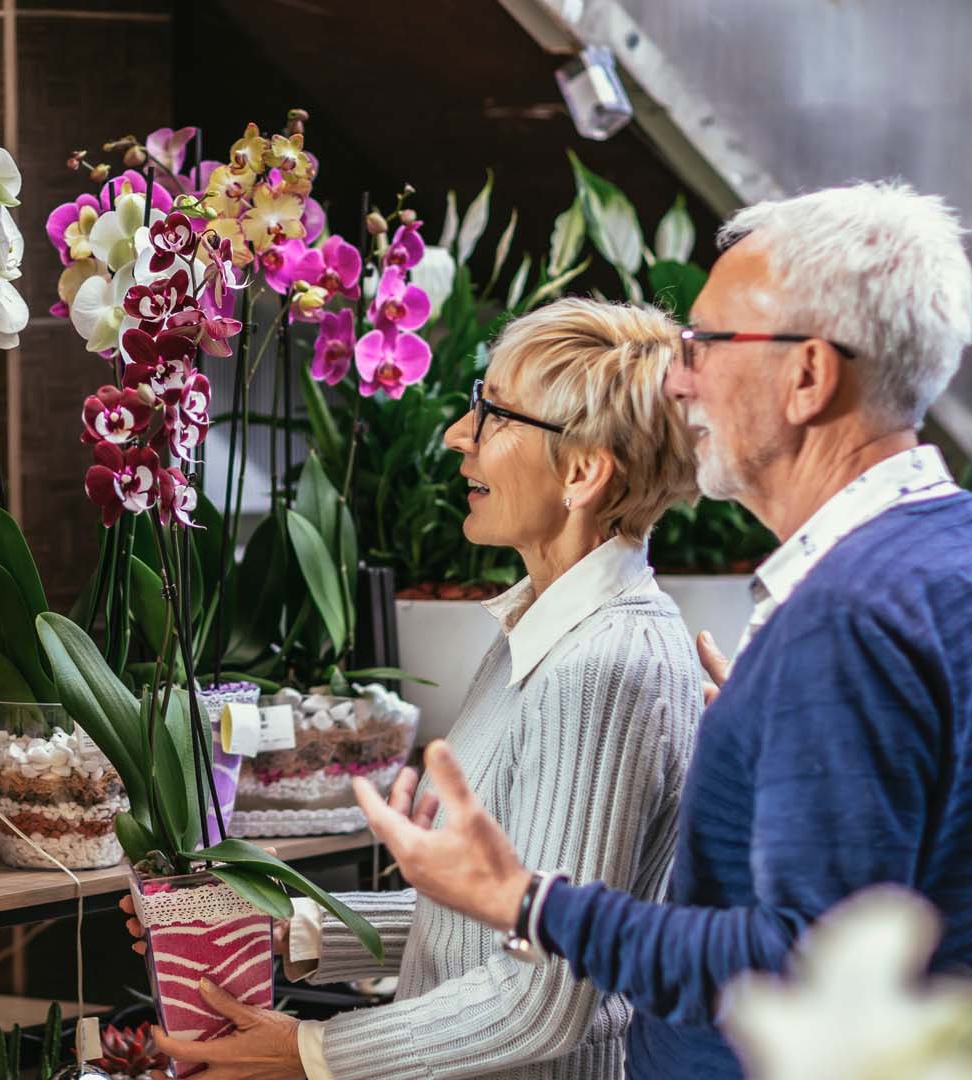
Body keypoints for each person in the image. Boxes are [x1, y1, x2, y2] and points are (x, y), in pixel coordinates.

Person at [352, 181, 972, 1080]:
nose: (680, 375)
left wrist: (527, 904)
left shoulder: (848, 617)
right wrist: (790, 750)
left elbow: (796, 971)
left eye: (707, 342)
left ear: (809, 375)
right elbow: (918, 894)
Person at [125, 298, 707, 1080]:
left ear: (582, 472)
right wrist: (291, 927)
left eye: (494, 415)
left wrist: (310, 1053)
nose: (457, 435)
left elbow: (544, 992)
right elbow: (495, 917)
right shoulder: (541, 635)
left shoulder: (602, 664)